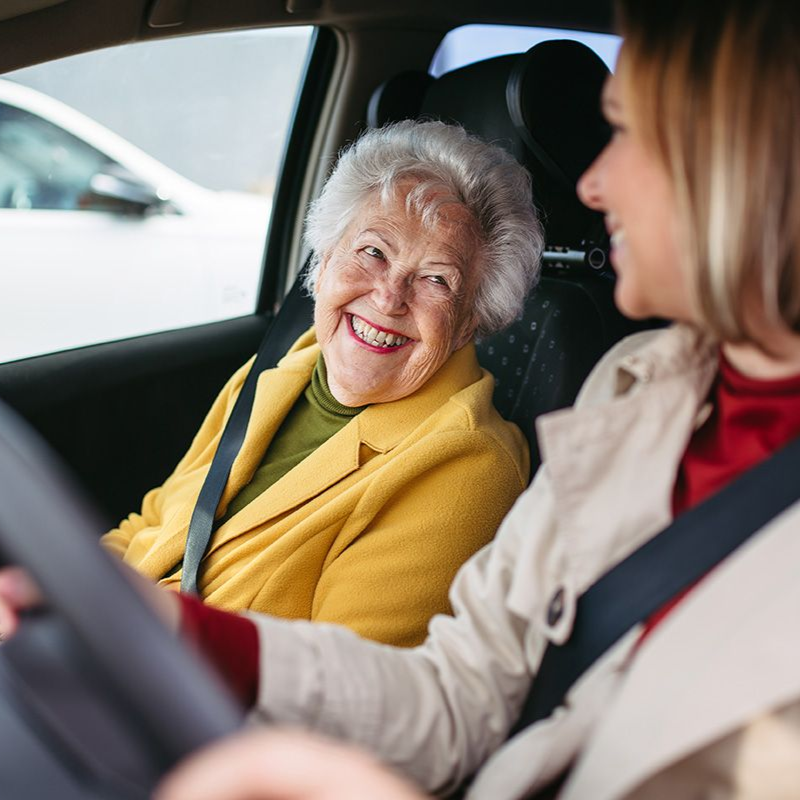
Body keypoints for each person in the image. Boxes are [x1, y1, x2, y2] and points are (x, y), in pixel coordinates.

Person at [3, 0, 800, 797]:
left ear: (745, 171)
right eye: (371, 253)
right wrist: (143, 620)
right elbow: (457, 698)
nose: (593, 183)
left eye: (627, 134)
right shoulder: (636, 395)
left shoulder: (470, 460)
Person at [101, 119, 538, 647]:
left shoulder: (467, 466)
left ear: (470, 322)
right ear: (326, 256)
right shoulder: (282, 370)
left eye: (435, 279)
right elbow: (153, 525)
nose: (389, 297)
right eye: (373, 252)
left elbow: (345, 681)